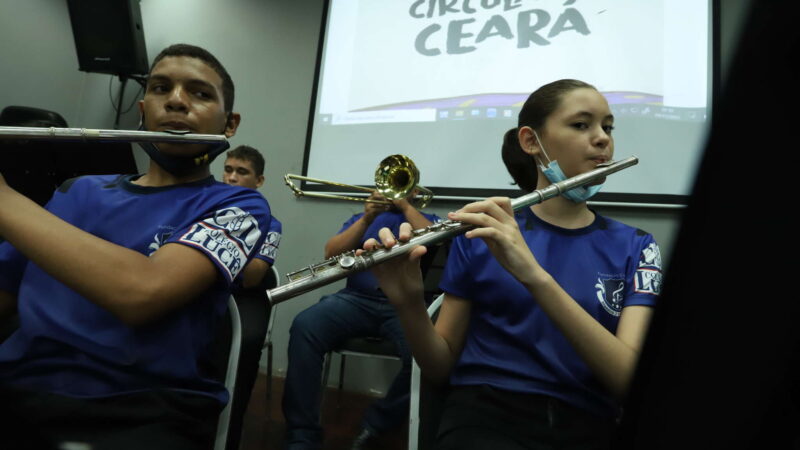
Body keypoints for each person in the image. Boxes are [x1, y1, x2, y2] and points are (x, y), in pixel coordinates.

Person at [364, 79, 663, 450]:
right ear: (531, 141)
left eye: (608, 126)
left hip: (588, 422)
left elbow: (627, 380)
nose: (603, 138)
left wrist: (534, 275)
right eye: (582, 124)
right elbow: (439, 368)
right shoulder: (483, 234)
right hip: (483, 417)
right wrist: (408, 301)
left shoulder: (637, 247)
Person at [0, 44, 272, 450]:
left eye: (199, 93)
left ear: (229, 123)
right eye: (161, 88)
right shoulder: (77, 190)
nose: (176, 100)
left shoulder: (239, 206)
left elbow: (142, 293)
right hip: (17, 393)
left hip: (139, 413)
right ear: (143, 110)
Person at [282, 189, 439, 450]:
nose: (391, 192)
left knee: (426, 355)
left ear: (414, 190)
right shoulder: (361, 217)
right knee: (304, 326)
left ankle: (378, 424)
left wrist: (404, 206)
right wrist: (366, 219)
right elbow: (330, 252)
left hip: (404, 307)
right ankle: (302, 434)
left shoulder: (426, 217)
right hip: (356, 299)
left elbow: (438, 239)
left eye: (400, 187)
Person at [220, 144, 282, 450]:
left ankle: (230, 431)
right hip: (212, 291)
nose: (231, 177)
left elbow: (252, 276)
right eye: (228, 170)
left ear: (259, 181)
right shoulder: (207, 206)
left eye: (241, 172)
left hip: (246, 296)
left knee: (245, 342)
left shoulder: (271, 223)